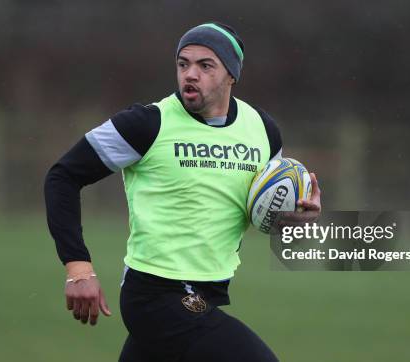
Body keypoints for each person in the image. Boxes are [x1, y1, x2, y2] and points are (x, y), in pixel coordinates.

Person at [44, 22, 321, 361]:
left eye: (205, 65)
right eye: (183, 64)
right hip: (155, 295)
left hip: (211, 290)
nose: (190, 74)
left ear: (231, 74)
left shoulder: (263, 131)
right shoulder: (147, 123)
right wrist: (78, 269)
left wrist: (293, 222)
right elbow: (62, 178)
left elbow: (263, 211)